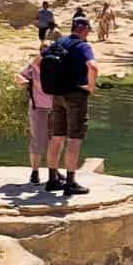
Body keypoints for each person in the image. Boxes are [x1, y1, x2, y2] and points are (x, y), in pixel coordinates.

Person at [40, 13, 98, 196]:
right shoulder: (82, 46)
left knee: (56, 137)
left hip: (57, 95)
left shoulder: (58, 43)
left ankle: (52, 179)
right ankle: (71, 182)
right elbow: (93, 67)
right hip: (76, 96)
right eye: (88, 30)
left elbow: (41, 57)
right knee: (74, 139)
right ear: (83, 30)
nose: (88, 34)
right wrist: (90, 86)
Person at [18, 45, 54, 187]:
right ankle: (35, 172)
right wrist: (25, 82)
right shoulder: (34, 65)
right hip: (39, 107)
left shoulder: (59, 64)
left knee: (53, 141)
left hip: (55, 108)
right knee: (39, 141)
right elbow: (20, 75)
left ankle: (52, 172)